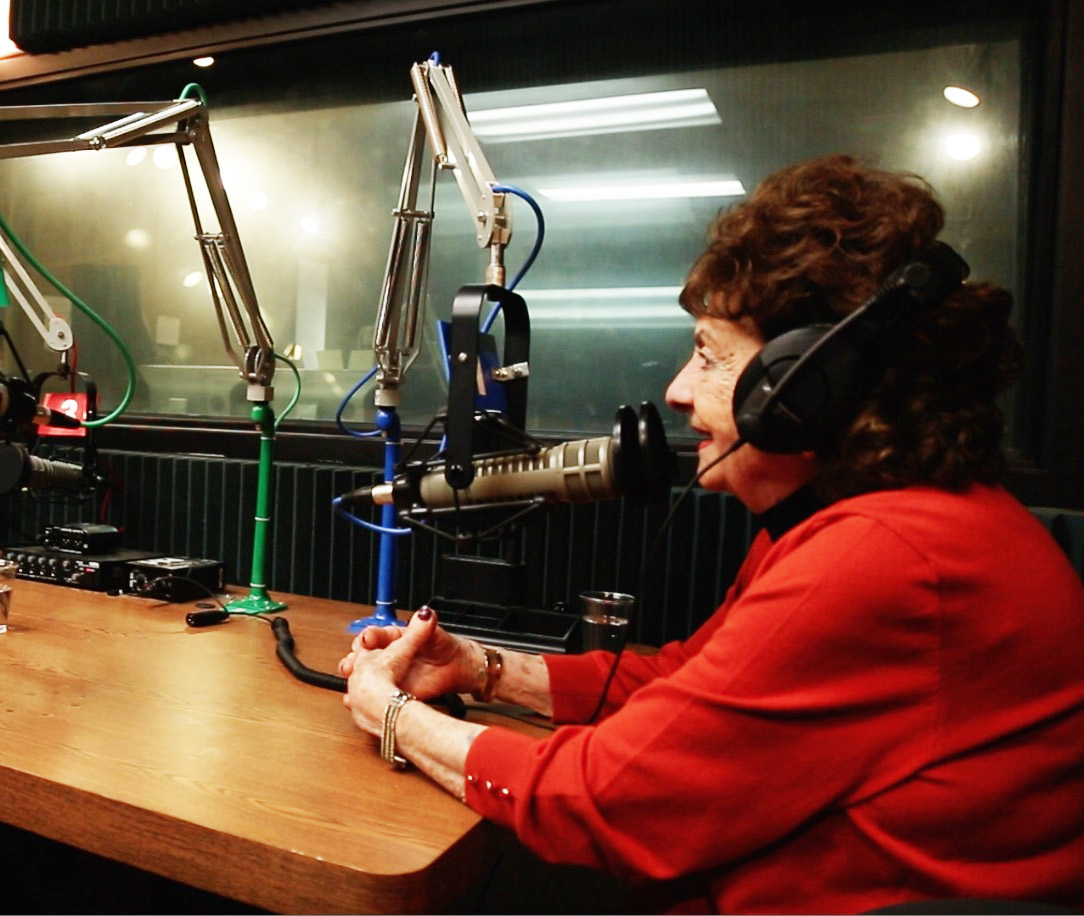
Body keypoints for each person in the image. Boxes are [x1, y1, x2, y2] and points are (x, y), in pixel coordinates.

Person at [338, 154, 1084, 913]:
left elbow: (609, 802)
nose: (678, 391)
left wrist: (393, 716)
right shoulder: (858, 522)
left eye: (709, 356)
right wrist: (477, 667)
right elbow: (682, 683)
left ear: (803, 388)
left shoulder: (883, 559)